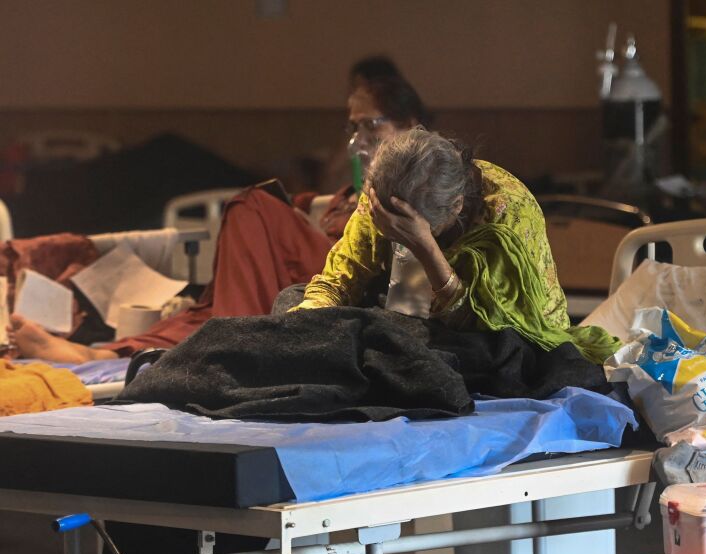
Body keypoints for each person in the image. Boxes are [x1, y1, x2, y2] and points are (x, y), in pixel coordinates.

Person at [9, 76, 430, 364]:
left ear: (410, 125)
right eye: (352, 127)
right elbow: (311, 213)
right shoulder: (346, 192)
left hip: (337, 282)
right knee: (203, 312)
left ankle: (229, 349)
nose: (358, 140)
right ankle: (100, 355)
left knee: (253, 207)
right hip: (302, 277)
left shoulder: (413, 186)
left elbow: (394, 262)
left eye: (371, 125)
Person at [278, 128, 618, 363]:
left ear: (456, 206)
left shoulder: (506, 214)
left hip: (495, 332)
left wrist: (424, 247)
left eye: (408, 229)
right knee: (293, 300)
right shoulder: (386, 197)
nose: (394, 232)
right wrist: (313, 316)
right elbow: (343, 276)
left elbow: (495, 324)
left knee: (495, 357)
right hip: (410, 316)